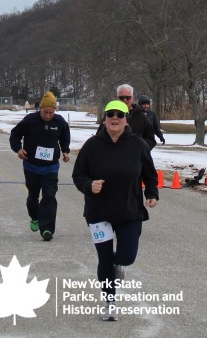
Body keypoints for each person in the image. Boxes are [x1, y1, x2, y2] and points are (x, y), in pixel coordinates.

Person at [72, 99, 158, 321]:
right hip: (98, 212)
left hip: (129, 211)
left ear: (126, 120)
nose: (115, 118)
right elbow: (78, 175)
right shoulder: (92, 145)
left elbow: (149, 173)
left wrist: (151, 193)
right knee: (104, 257)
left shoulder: (138, 144)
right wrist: (89, 185)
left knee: (126, 257)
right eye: (110, 114)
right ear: (104, 119)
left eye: (119, 115)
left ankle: (118, 263)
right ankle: (110, 302)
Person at [9, 91, 71, 242]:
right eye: (45, 112)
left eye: (51, 112)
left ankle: (47, 229)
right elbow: (15, 134)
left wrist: (66, 151)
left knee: (49, 196)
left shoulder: (60, 122)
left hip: (51, 167)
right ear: (40, 109)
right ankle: (34, 217)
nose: (48, 115)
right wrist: (18, 149)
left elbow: (65, 136)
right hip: (31, 166)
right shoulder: (30, 120)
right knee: (33, 197)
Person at [112, 84, 156, 150]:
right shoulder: (110, 115)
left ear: (132, 98)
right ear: (117, 98)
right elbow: (100, 137)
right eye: (121, 97)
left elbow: (151, 139)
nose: (125, 100)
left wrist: (139, 150)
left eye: (128, 97)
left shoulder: (141, 116)